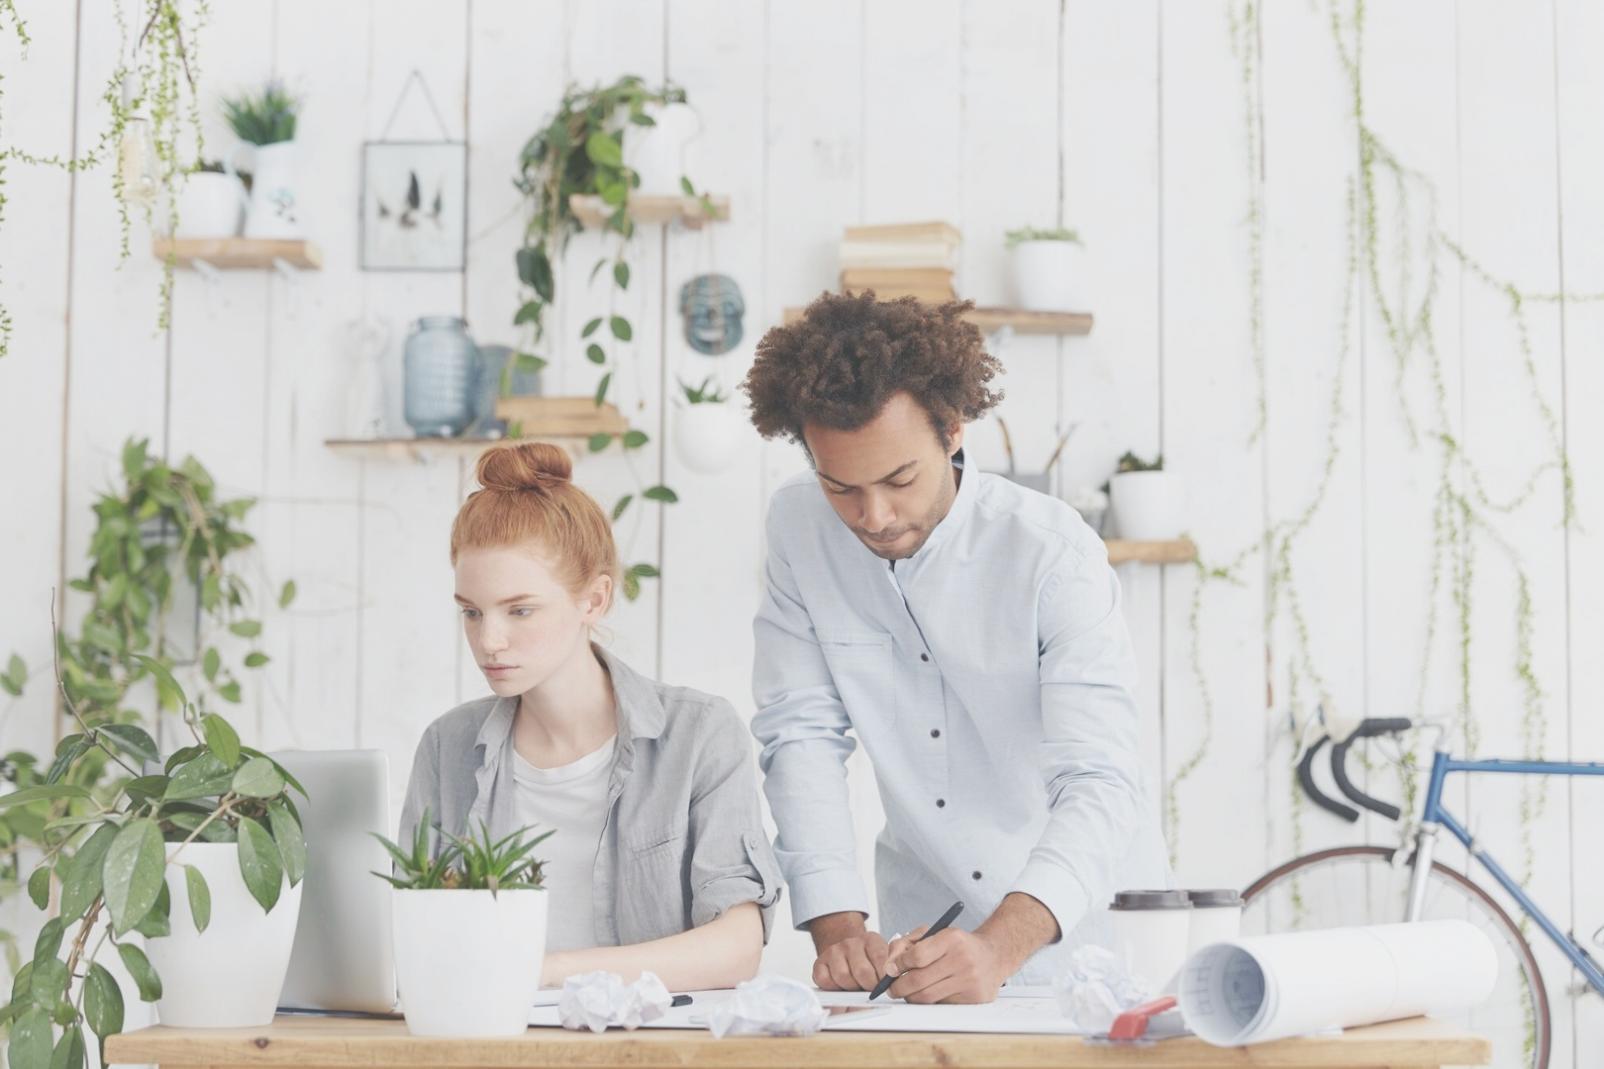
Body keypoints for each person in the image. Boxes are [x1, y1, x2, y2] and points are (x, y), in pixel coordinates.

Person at [743, 292, 1171, 1004]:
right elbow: (800, 734)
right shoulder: (797, 529)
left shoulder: (1053, 553)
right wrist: (839, 931)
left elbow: (1100, 779)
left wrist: (1000, 946)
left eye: (899, 479)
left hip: (1087, 939)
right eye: (841, 486)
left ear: (952, 430)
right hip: (919, 930)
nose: (872, 516)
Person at [398, 441, 781, 990]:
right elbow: (408, 924)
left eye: (520, 609)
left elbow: (736, 947)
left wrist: (548, 971)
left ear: (594, 601)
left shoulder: (698, 734)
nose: (489, 640)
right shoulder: (448, 745)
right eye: (472, 612)